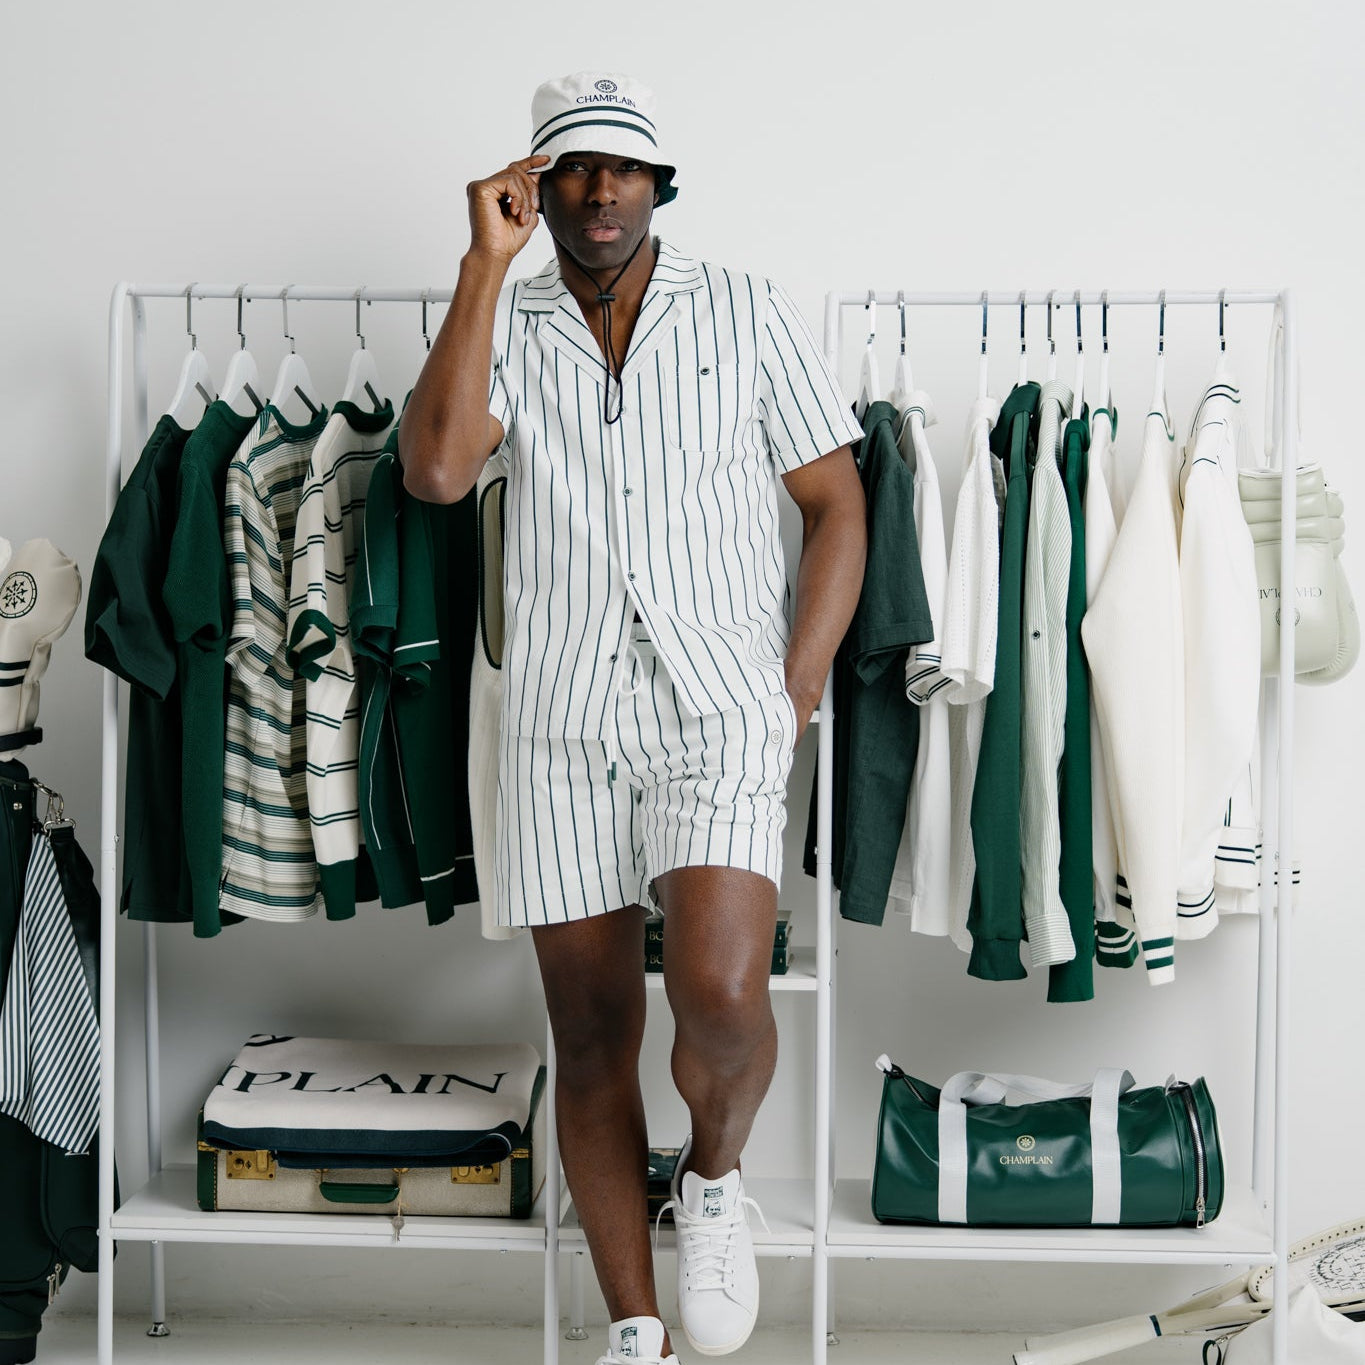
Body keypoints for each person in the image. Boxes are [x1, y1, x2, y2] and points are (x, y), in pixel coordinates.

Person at [401, 71, 866, 1365]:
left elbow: (836, 503)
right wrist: (480, 264)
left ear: (660, 185)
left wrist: (799, 678)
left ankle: (712, 1178)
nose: (597, 190)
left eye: (621, 167)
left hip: (718, 705)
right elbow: (436, 471)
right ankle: (634, 1327)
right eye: (569, 169)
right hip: (555, 713)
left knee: (719, 991)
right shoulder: (508, 315)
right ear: (534, 188)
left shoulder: (743, 310)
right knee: (593, 1029)